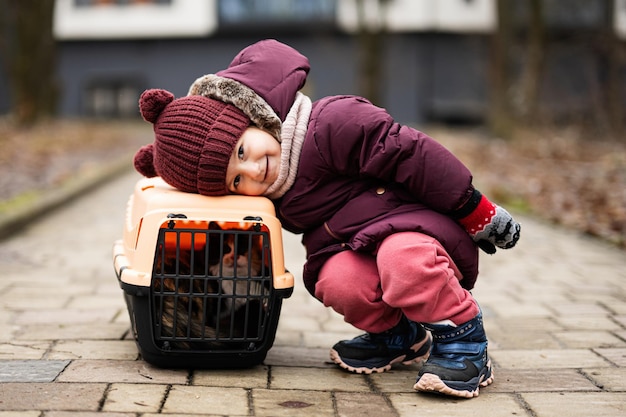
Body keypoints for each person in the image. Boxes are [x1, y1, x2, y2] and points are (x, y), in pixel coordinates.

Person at [133, 39, 521, 399]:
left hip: (414, 226)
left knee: (402, 260)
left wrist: (473, 209)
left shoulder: (329, 124)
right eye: (236, 180)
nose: (253, 171)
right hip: (353, 245)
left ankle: (464, 340)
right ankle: (398, 336)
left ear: (249, 117)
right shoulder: (276, 190)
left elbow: (414, 155)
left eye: (241, 151)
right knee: (336, 280)